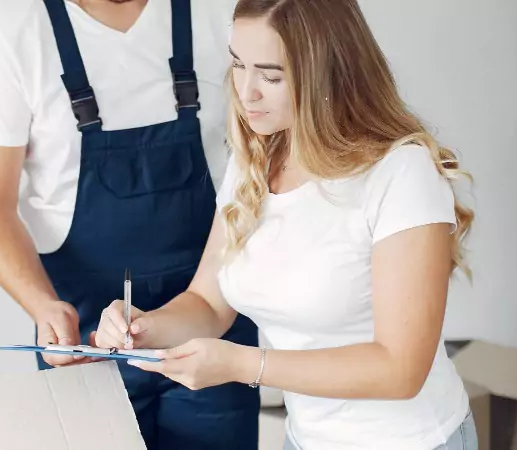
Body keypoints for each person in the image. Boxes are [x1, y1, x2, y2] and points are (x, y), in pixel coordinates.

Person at [94, 0, 478, 449]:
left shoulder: (401, 173)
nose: (246, 91)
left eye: (271, 75)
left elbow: (400, 369)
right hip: (306, 440)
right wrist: (142, 328)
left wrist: (243, 365)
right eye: (238, 65)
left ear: (328, 73)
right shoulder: (256, 159)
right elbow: (208, 304)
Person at [0, 0, 261, 449]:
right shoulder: (16, 31)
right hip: (84, 340)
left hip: (212, 324)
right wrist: (43, 306)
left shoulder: (219, 13)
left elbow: (269, 156)